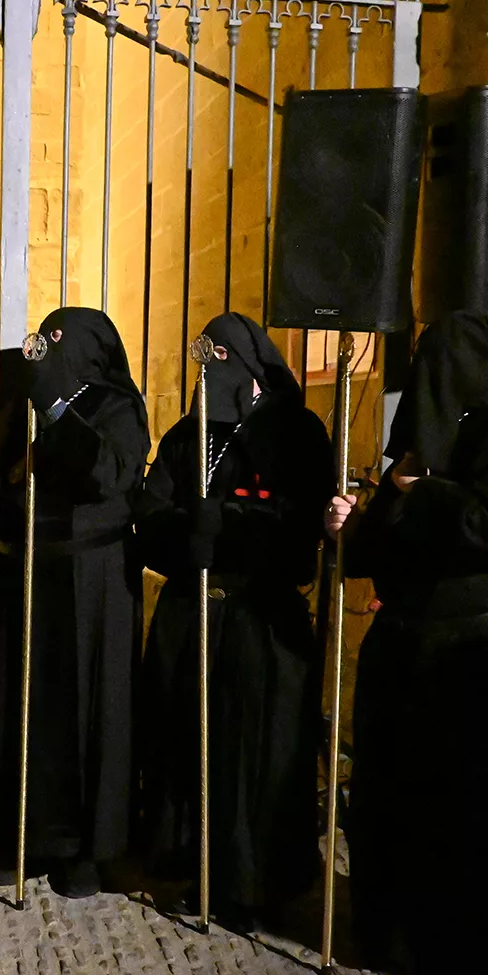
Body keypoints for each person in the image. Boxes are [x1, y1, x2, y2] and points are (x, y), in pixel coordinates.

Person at [325, 310, 488, 975]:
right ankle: (400, 934)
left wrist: (427, 493)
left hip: (479, 655)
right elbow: (381, 547)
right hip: (408, 647)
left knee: (478, 814)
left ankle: (479, 954)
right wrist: (356, 526)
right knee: (401, 803)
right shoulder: (430, 434)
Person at [133, 313, 330, 929]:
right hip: (192, 611)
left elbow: (301, 532)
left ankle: (249, 882)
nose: (208, 374)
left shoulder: (295, 432)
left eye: (220, 359)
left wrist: (230, 528)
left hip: (258, 620)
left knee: (253, 755)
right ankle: (190, 860)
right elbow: (151, 508)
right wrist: (186, 532)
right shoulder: (186, 436)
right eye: (203, 361)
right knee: (190, 742)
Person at [0, 306, 148, 899]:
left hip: (91, 580)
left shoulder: (117, 407)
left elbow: (109, 472)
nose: (49, 351)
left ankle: (84, 846)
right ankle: (23, 832)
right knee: (25, 707)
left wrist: (58, 408)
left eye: (60, 341)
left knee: (85, 710)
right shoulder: (30, 402)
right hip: (27, 573)